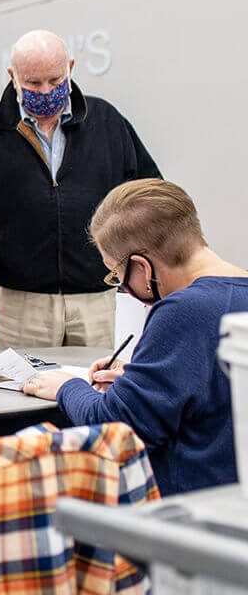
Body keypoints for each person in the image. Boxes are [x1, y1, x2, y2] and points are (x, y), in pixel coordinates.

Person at [23, 179, 242, 496]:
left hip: (183, 507)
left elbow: (118, 425)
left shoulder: (182, 311)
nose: (122, 286)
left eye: (117, 274)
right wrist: (141, 378)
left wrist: (65, 388)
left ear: (141, 265)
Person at [0, 29, 159, 349]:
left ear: (70, 67)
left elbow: (149, 194)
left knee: (94, 388)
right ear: (12, 76)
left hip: (94, 297)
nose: (45, 90)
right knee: (17, 393)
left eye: (56, 80)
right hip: (16, 302)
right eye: (33, 83)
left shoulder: (106, 121)